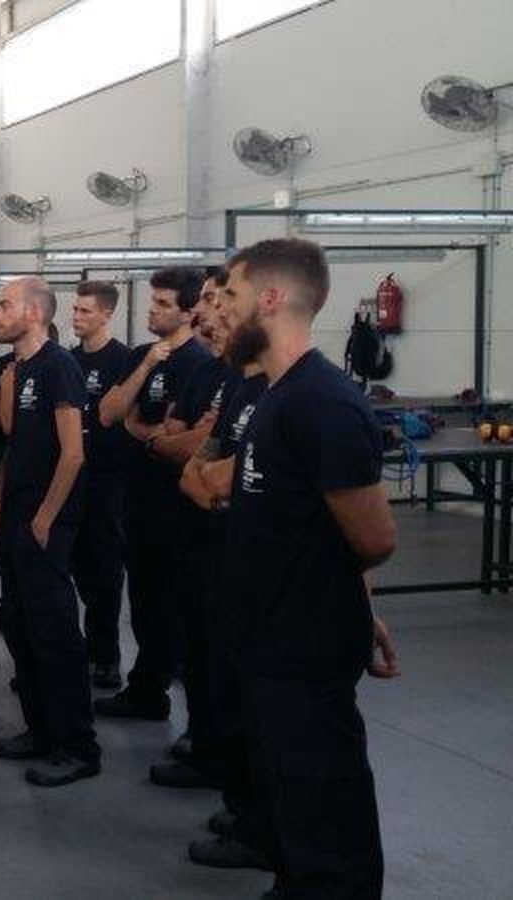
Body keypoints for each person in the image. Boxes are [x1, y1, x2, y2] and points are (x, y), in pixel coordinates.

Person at [217, 238, 398, 898]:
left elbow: (373, 537)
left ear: (269, 299)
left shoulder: (320, 402)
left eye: (231, 294)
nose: (220, 309)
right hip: (270, 640)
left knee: (325, 806)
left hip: (304, 646)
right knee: (291, 801)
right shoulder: (276, 395)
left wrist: (346, 604)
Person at [0, 278, 101, 787]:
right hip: (16, 517)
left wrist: (45, 519)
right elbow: (14, 443)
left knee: (55, 633)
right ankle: (40, 729)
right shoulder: (20, 368)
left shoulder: (60, 367)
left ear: (34, 313)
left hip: (45, 524)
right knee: (20, 627)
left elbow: (72, 453)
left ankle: (77, 746)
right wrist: (0, 500)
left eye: (4, 305)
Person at [177, 275, 273, 873]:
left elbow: (370, 534)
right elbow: (198, 470)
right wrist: (212, 484)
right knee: (222, 682)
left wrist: (212, 482)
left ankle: (263, 827)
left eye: (222, 302)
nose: (210, 315)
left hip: (260, 576)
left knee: (261, 711)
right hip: (219, 554)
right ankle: (243, 809)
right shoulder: (240, 389)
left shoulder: (287, 396)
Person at [94, 267, 211, 721]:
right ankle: (147, 688)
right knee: (143, 598)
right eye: (153, 301)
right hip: (137, 494)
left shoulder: (197, 363)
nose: (152, 311)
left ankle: (163, 688)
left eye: (163, 304)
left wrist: (141, 429)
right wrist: (144, 367)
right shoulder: (142, 355)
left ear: (187, 312)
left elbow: (178, 438)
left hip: (176, 502)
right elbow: (109, 413)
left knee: (171, 602)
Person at [145, 269, 243, 787]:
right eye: (204, 299)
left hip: (230, 547)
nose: (207, 311)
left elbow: (200, 460)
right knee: (198, 651)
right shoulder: (209, 374)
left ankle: (228, 760)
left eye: (216, 299)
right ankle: (205, 743)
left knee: (227, 660)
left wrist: (185, 447)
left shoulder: (258, 386)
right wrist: (179, 444)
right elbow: (177, 444)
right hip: (189, 532)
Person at [68, 281, 135, 690]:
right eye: (75, 310)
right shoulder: (68, 361)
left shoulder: (124, 361)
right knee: (72, 566)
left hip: (107, 481)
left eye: (85, 311)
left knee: (104, 571)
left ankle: (105, 656)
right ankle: (74, 651)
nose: (77, 317)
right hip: (72, 478)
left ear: (107, 314)